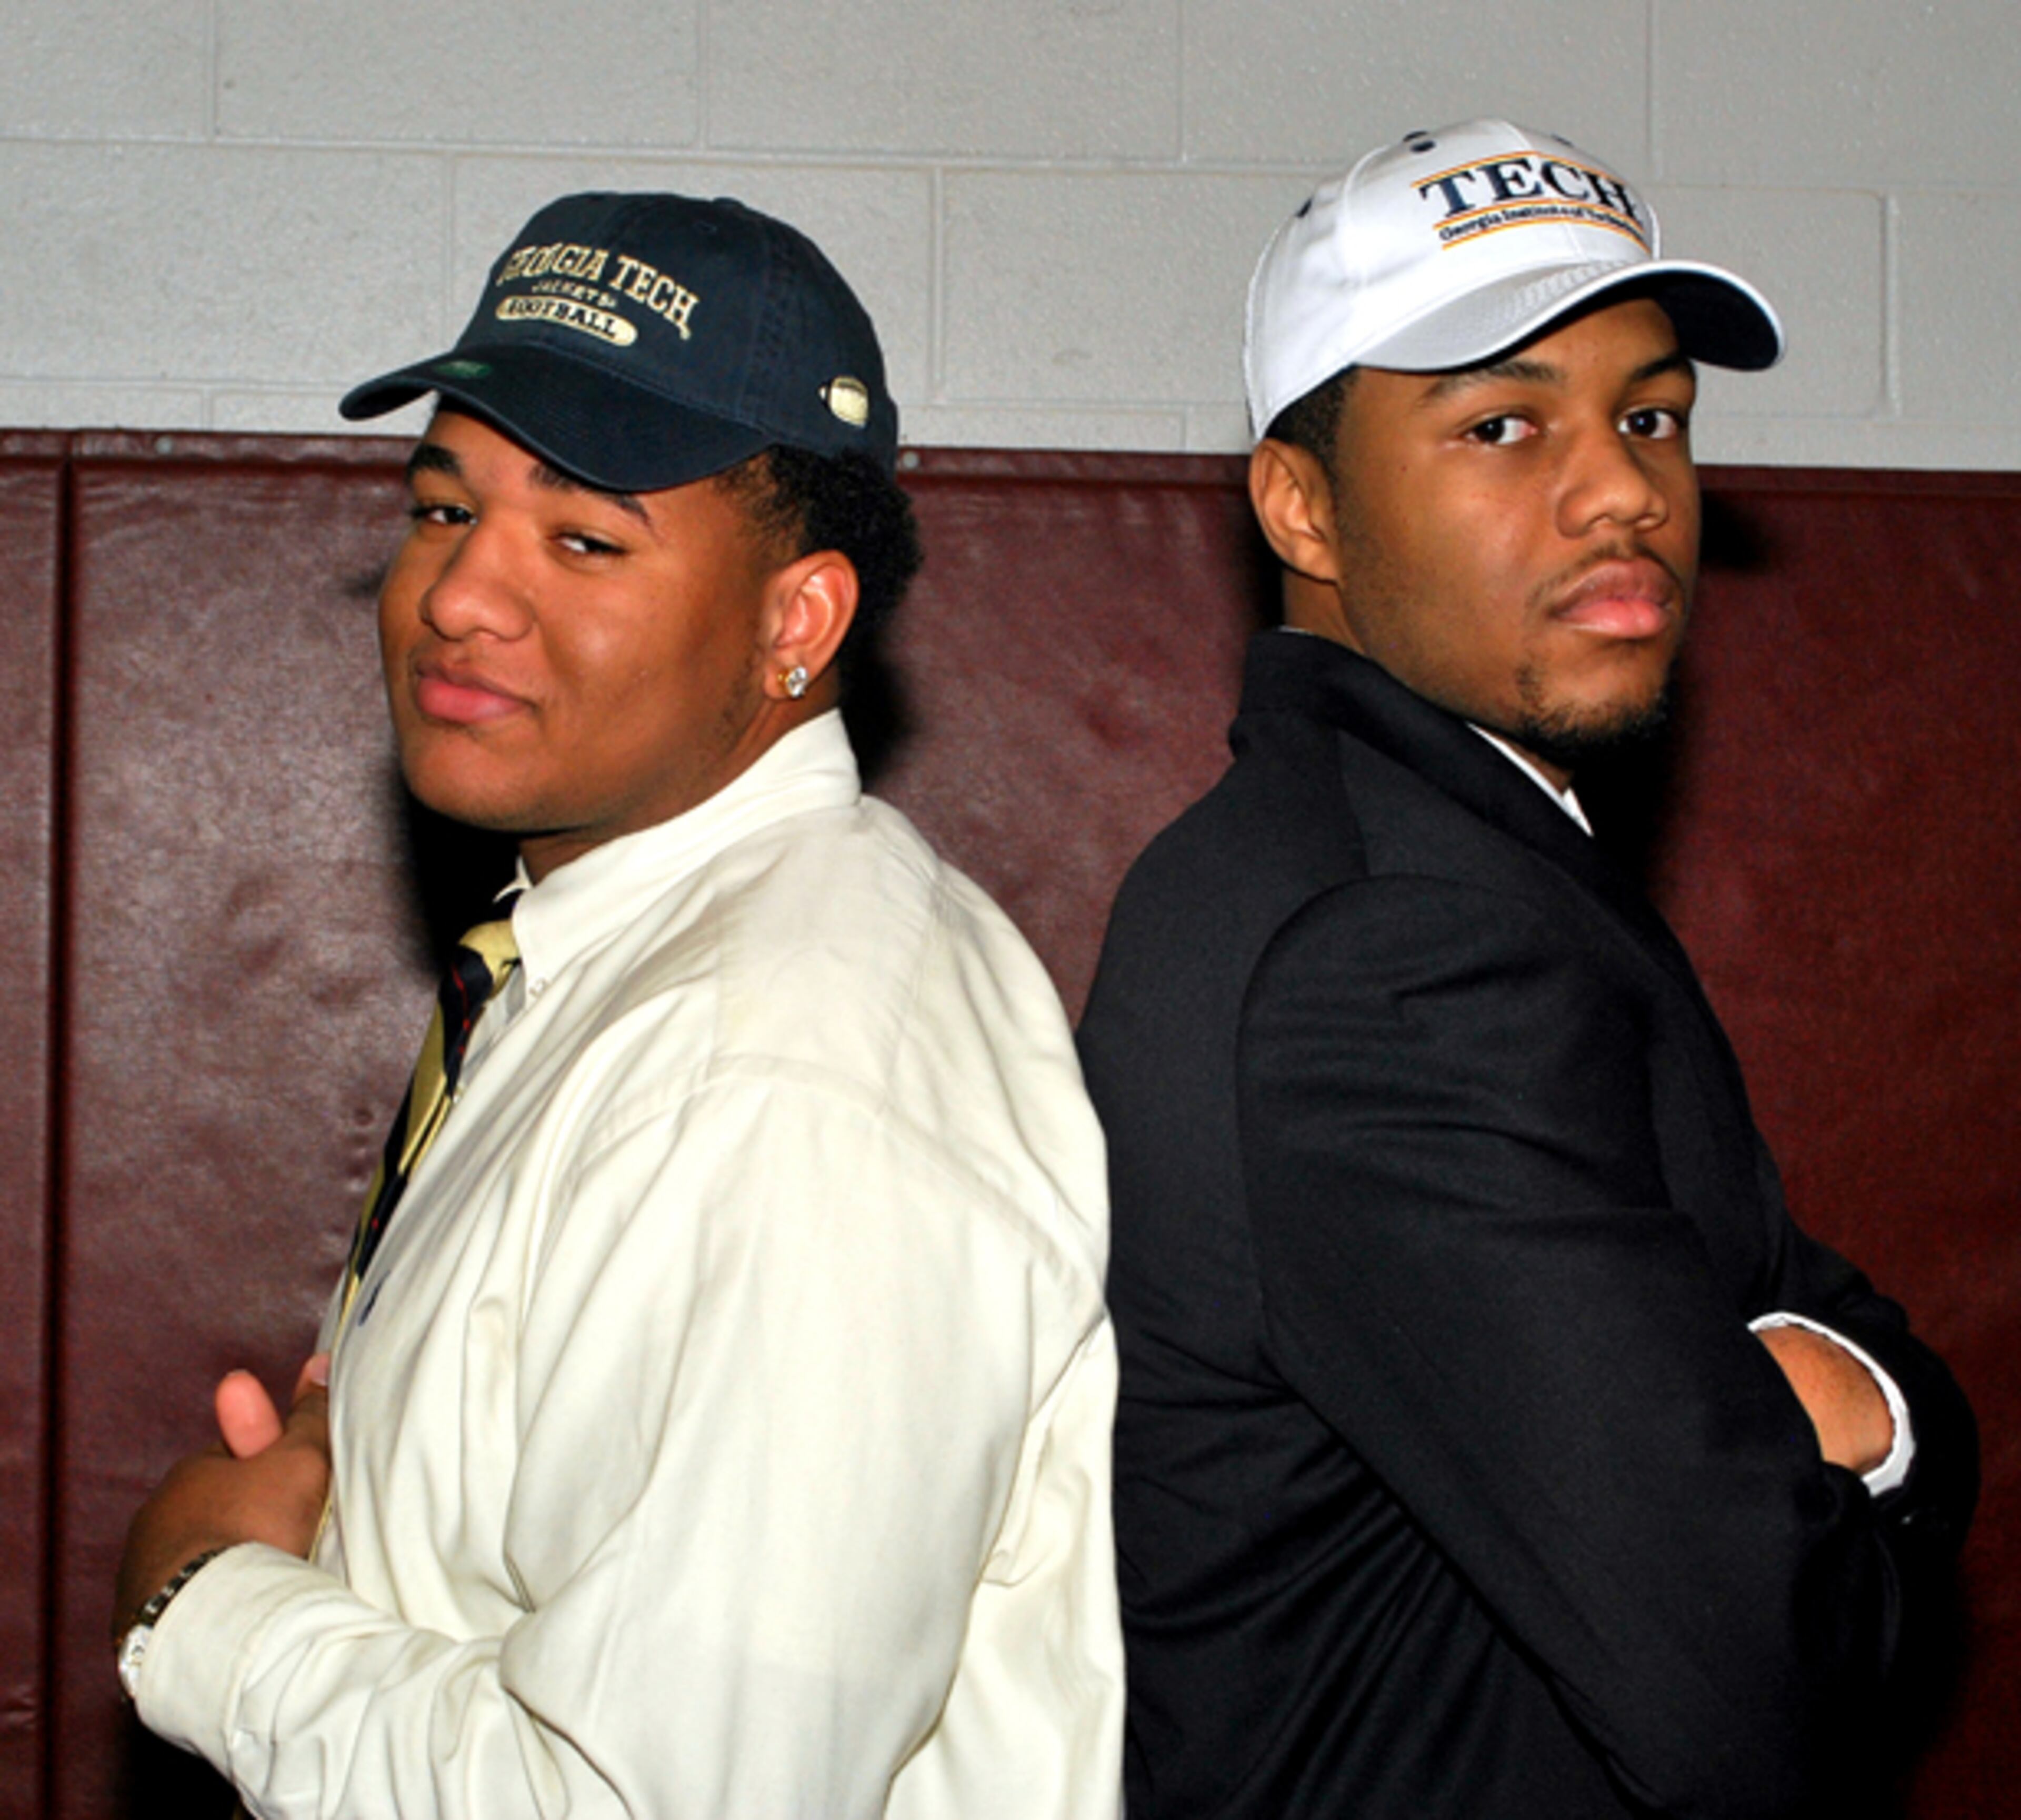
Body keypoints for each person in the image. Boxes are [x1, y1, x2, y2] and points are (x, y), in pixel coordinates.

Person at [113, 191, 1124, 1818]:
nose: (460, 597)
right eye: (444, 512)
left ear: (797, 620)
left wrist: (210, 1608)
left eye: (583, 539)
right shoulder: (601, 943)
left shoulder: (796, 1074)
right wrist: (351, 1502)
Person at [1076, 119, 1977, 1819]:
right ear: (1303, 503)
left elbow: (1820, 1305)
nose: (1624, 486)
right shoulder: (1394, 944)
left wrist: (1866, 1397)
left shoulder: (1444, 859)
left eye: (1651, 416)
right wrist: (1850, 1444)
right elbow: (1751, 1680)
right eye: (1503, 424)